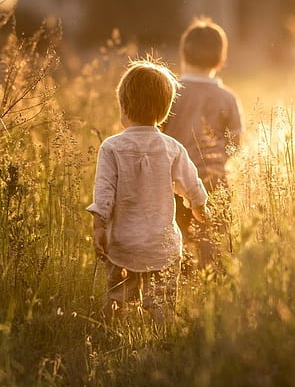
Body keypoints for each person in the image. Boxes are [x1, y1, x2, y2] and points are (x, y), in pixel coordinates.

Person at [87, 59, 208, 321]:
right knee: (162, 304)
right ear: (164, 111)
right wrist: (199, 207)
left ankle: (117, 338)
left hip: (123, 244)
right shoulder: (172, 147)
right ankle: (160, 340)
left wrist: (99, 227)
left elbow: (104, 194)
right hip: (161, 244)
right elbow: (192, 183)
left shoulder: (111, 148)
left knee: (120, 302)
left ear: (123, 106)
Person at [162, 18, 243, 270]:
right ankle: (211, 283)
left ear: (184, 54)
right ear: (220, 60)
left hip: (172, 182)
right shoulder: (227, 97)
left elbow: (157, 131)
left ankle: (179, 278)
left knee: (176, 237)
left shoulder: (171, 91)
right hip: (214, 180)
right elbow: (235, 142)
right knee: (214, 242)